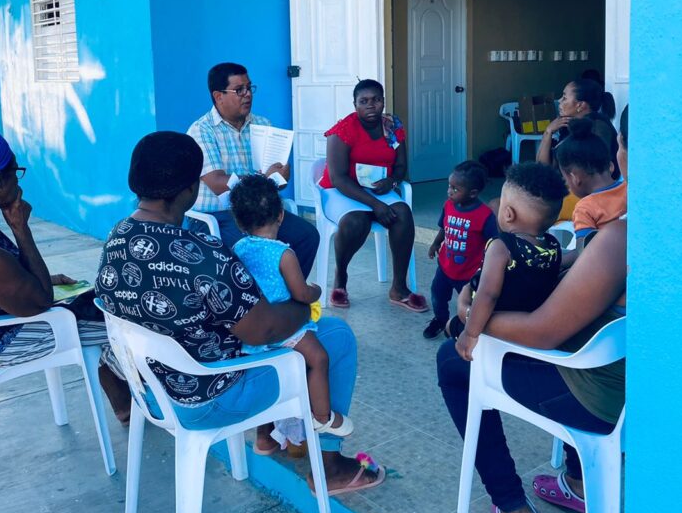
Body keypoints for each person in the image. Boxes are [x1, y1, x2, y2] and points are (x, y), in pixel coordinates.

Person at [95, 130, 384, 494]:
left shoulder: (117, 236)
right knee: (335, 336)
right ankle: (329, 466)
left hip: (152, 391)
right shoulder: (201, 253)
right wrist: (302, 305)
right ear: (189, 189)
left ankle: (268, 435)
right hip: (210, 398)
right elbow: (264, 330)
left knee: (259, 335)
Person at [437, 107, 628, 513]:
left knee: (452, 362)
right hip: (630, 387)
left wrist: (469, 320)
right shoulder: (663, 228)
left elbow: (542, 333)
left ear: (624, 153)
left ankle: (512, 506)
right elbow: (572, 270)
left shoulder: (620, 237)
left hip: (595, 395)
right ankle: (577, 481)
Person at [0, 132, 106, 369]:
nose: (18, 181)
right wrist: (21, 228)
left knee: (92, 304)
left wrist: (44, 279)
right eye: (16, 172)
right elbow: (41, 302)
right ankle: (129, 392)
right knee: (115, 326)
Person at [230, 173, 352, 441]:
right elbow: (301, 293)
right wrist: (316, 290)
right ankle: (322, 417)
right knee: (318, 358)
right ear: (281, 215)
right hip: (285, 327)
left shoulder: (238, 247)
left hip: (252, 328)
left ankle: (275, 430)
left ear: (238, 221)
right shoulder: (283, 254)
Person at [187, 62, 319, 278]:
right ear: (218, 96)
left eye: (249, 88)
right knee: (255, 247)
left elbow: (278, 182)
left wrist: (280, 176)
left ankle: (285, 294)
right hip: (217, 216)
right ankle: (254, 297)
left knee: (307, 235)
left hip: (261, 211)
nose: (247, 94)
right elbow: (218, 182)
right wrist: (265, 179)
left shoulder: (263, 124)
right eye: (239, 90)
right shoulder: (201, 131)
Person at [319, 79, 426, 312]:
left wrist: (393, 181)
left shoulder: (392, 127)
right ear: (355, 105)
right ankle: (341, 276)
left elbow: (401, 166)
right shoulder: (343, 130)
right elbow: (338, 178)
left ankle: (399, 287)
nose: (371, 105)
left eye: (376, 100)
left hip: (378, 188)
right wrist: (375, 205)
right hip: (342, 190)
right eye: (364, 101)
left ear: (383, 102)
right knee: (357, 221)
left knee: (402, 214)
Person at [452, 163, 566, 364]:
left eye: (501, 201)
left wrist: (470, 333)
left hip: (493, 328)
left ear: (508, 214)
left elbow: (488, 294)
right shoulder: (553, 246)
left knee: (452, 330)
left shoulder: (501, 247)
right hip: (523, 328)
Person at [423, 161, 498, 340]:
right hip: (445, 267)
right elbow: (444, 228)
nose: (449, 191)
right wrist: (435, 244)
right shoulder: (448, 205)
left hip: (468, 273)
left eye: (455, 189)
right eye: (449, 186)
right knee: (438, 295)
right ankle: (440, 320)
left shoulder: (485, 215)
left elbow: (494, 243)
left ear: (473, 193)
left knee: (469, 304)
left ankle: (465, 327)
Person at [555, 118, 627, 248]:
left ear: (575, 177)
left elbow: (584, 251)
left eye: (566, 179)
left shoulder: (585, 208)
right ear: (611, 166)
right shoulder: (629, 189)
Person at [536, 78, 618, 177]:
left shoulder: (597, 127)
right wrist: (548, 132)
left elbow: (592, 171)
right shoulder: (568, 125)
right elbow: (543, 168)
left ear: (580, 105)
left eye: (564, 98)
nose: (559, 101)